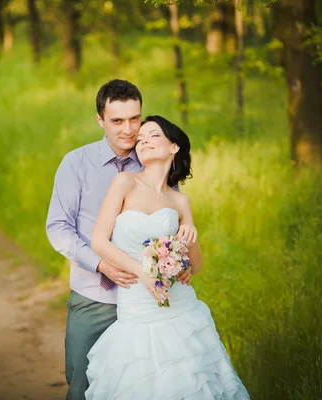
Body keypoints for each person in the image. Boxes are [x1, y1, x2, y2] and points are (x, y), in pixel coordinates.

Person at [45, 80, 197, 400]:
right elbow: (58, 227)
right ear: (100, 120)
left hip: (150, 303)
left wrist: (181, 262)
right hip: (94, 297)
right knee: (83, 385)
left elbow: (173, 226)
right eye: (117, 121)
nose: (128, 130)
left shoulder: (155, 161)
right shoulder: (77, 164)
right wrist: (101, 264)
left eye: (135, 119)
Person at [85, 115, 250, 399]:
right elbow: (99, 241)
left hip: (181, 309)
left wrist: (189, 236)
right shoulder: (125, 183)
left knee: (190, 385)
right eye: (140, 139)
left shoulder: (179, 201)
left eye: (153, 135)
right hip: (138, 307)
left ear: (174, 147)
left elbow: (195, 265)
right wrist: (142, 272)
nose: (144, 141)